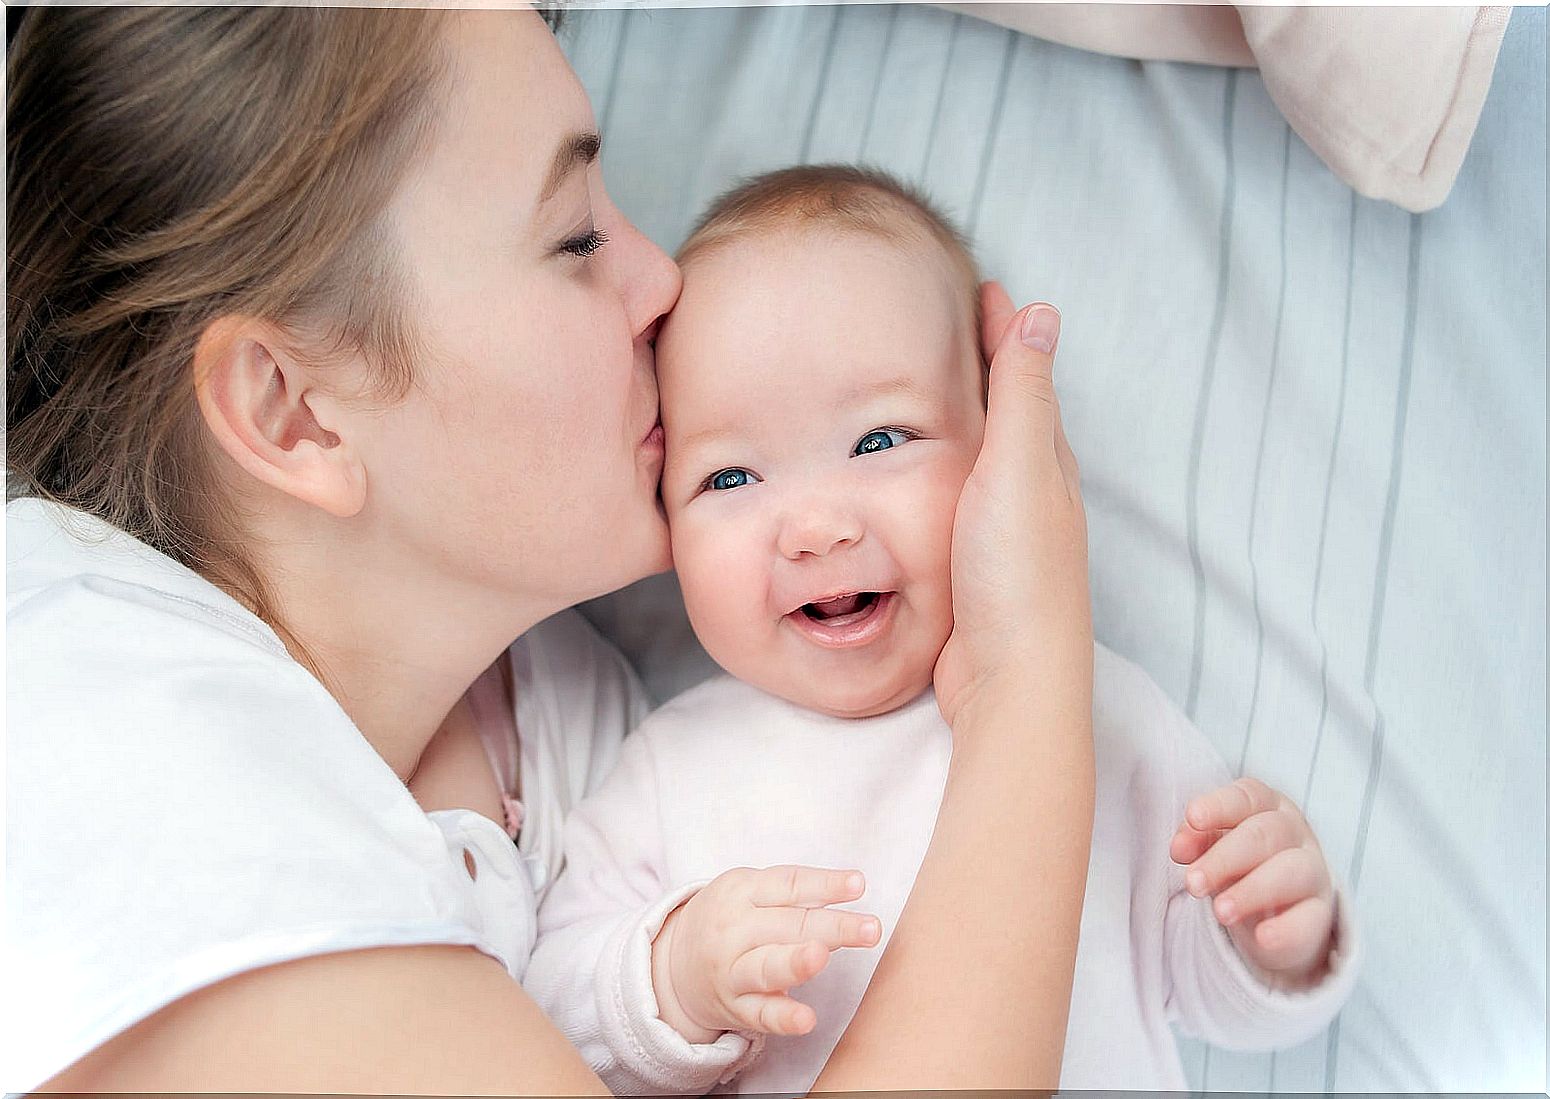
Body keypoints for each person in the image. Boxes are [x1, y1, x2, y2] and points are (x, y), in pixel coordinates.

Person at [5, 9, 1094, 1094]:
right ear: (295, 411)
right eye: (575, 238)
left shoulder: (576, 734)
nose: (663, 281)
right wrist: (1027, 674)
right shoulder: (87, 710)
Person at [524, 166, 1360, 1094]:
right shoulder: (668, 764)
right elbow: (548, 1012)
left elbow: (1202, 996)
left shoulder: (1098, 711)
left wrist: (1272, 934)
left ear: (999, 438)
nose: (815, 528)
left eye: (880, 441)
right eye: (729, 479)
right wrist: (675, 974)